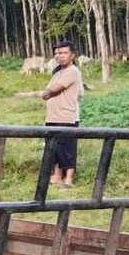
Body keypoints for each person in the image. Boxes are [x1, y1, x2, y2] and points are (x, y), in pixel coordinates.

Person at [40, 40, 83, 188]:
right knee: (53, 147)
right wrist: (47, 93)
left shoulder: (73, 71)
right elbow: (48, 90)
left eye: (64, 53)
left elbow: (53, 89)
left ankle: (69, 179)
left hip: (67, 117)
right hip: (52, 116)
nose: (60, 56)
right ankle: (56, 175)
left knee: (67, 148)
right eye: (57, 53)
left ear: (72, 55)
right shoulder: (57, 72)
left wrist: (47, 93)